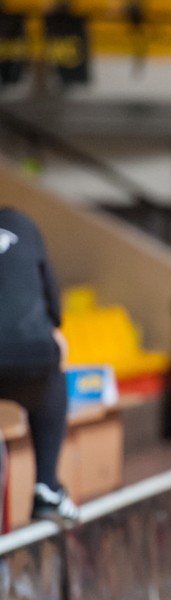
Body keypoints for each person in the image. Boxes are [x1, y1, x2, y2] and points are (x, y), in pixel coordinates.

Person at [0, 207, 78, 523]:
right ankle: (46, 487)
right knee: (54, 357)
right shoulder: (24, 223)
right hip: (30, 359)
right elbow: (55, 310)